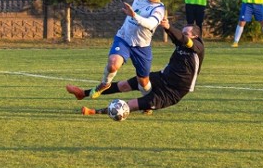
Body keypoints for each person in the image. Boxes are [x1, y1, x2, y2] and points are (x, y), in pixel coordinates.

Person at [66, 18, 204, 115]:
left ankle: (94, 112)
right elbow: (177, 37)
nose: (183, 35)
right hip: (162, 77)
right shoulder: (181, 42)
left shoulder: (198, 46)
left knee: (131, 104)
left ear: (196, 36)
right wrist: (165, 25)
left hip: (174, 91)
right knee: (125, 85)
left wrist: (169, 27)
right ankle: (82, 93)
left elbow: (183, 39)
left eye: (186, 33)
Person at [88, 0, 167, 99]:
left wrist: (134, 15)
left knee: (143, 82)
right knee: (113, 63)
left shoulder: (159, 9)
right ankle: (105, 83)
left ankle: (149, 102)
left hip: (142, 47)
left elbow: (151, 24)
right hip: (124, 39)